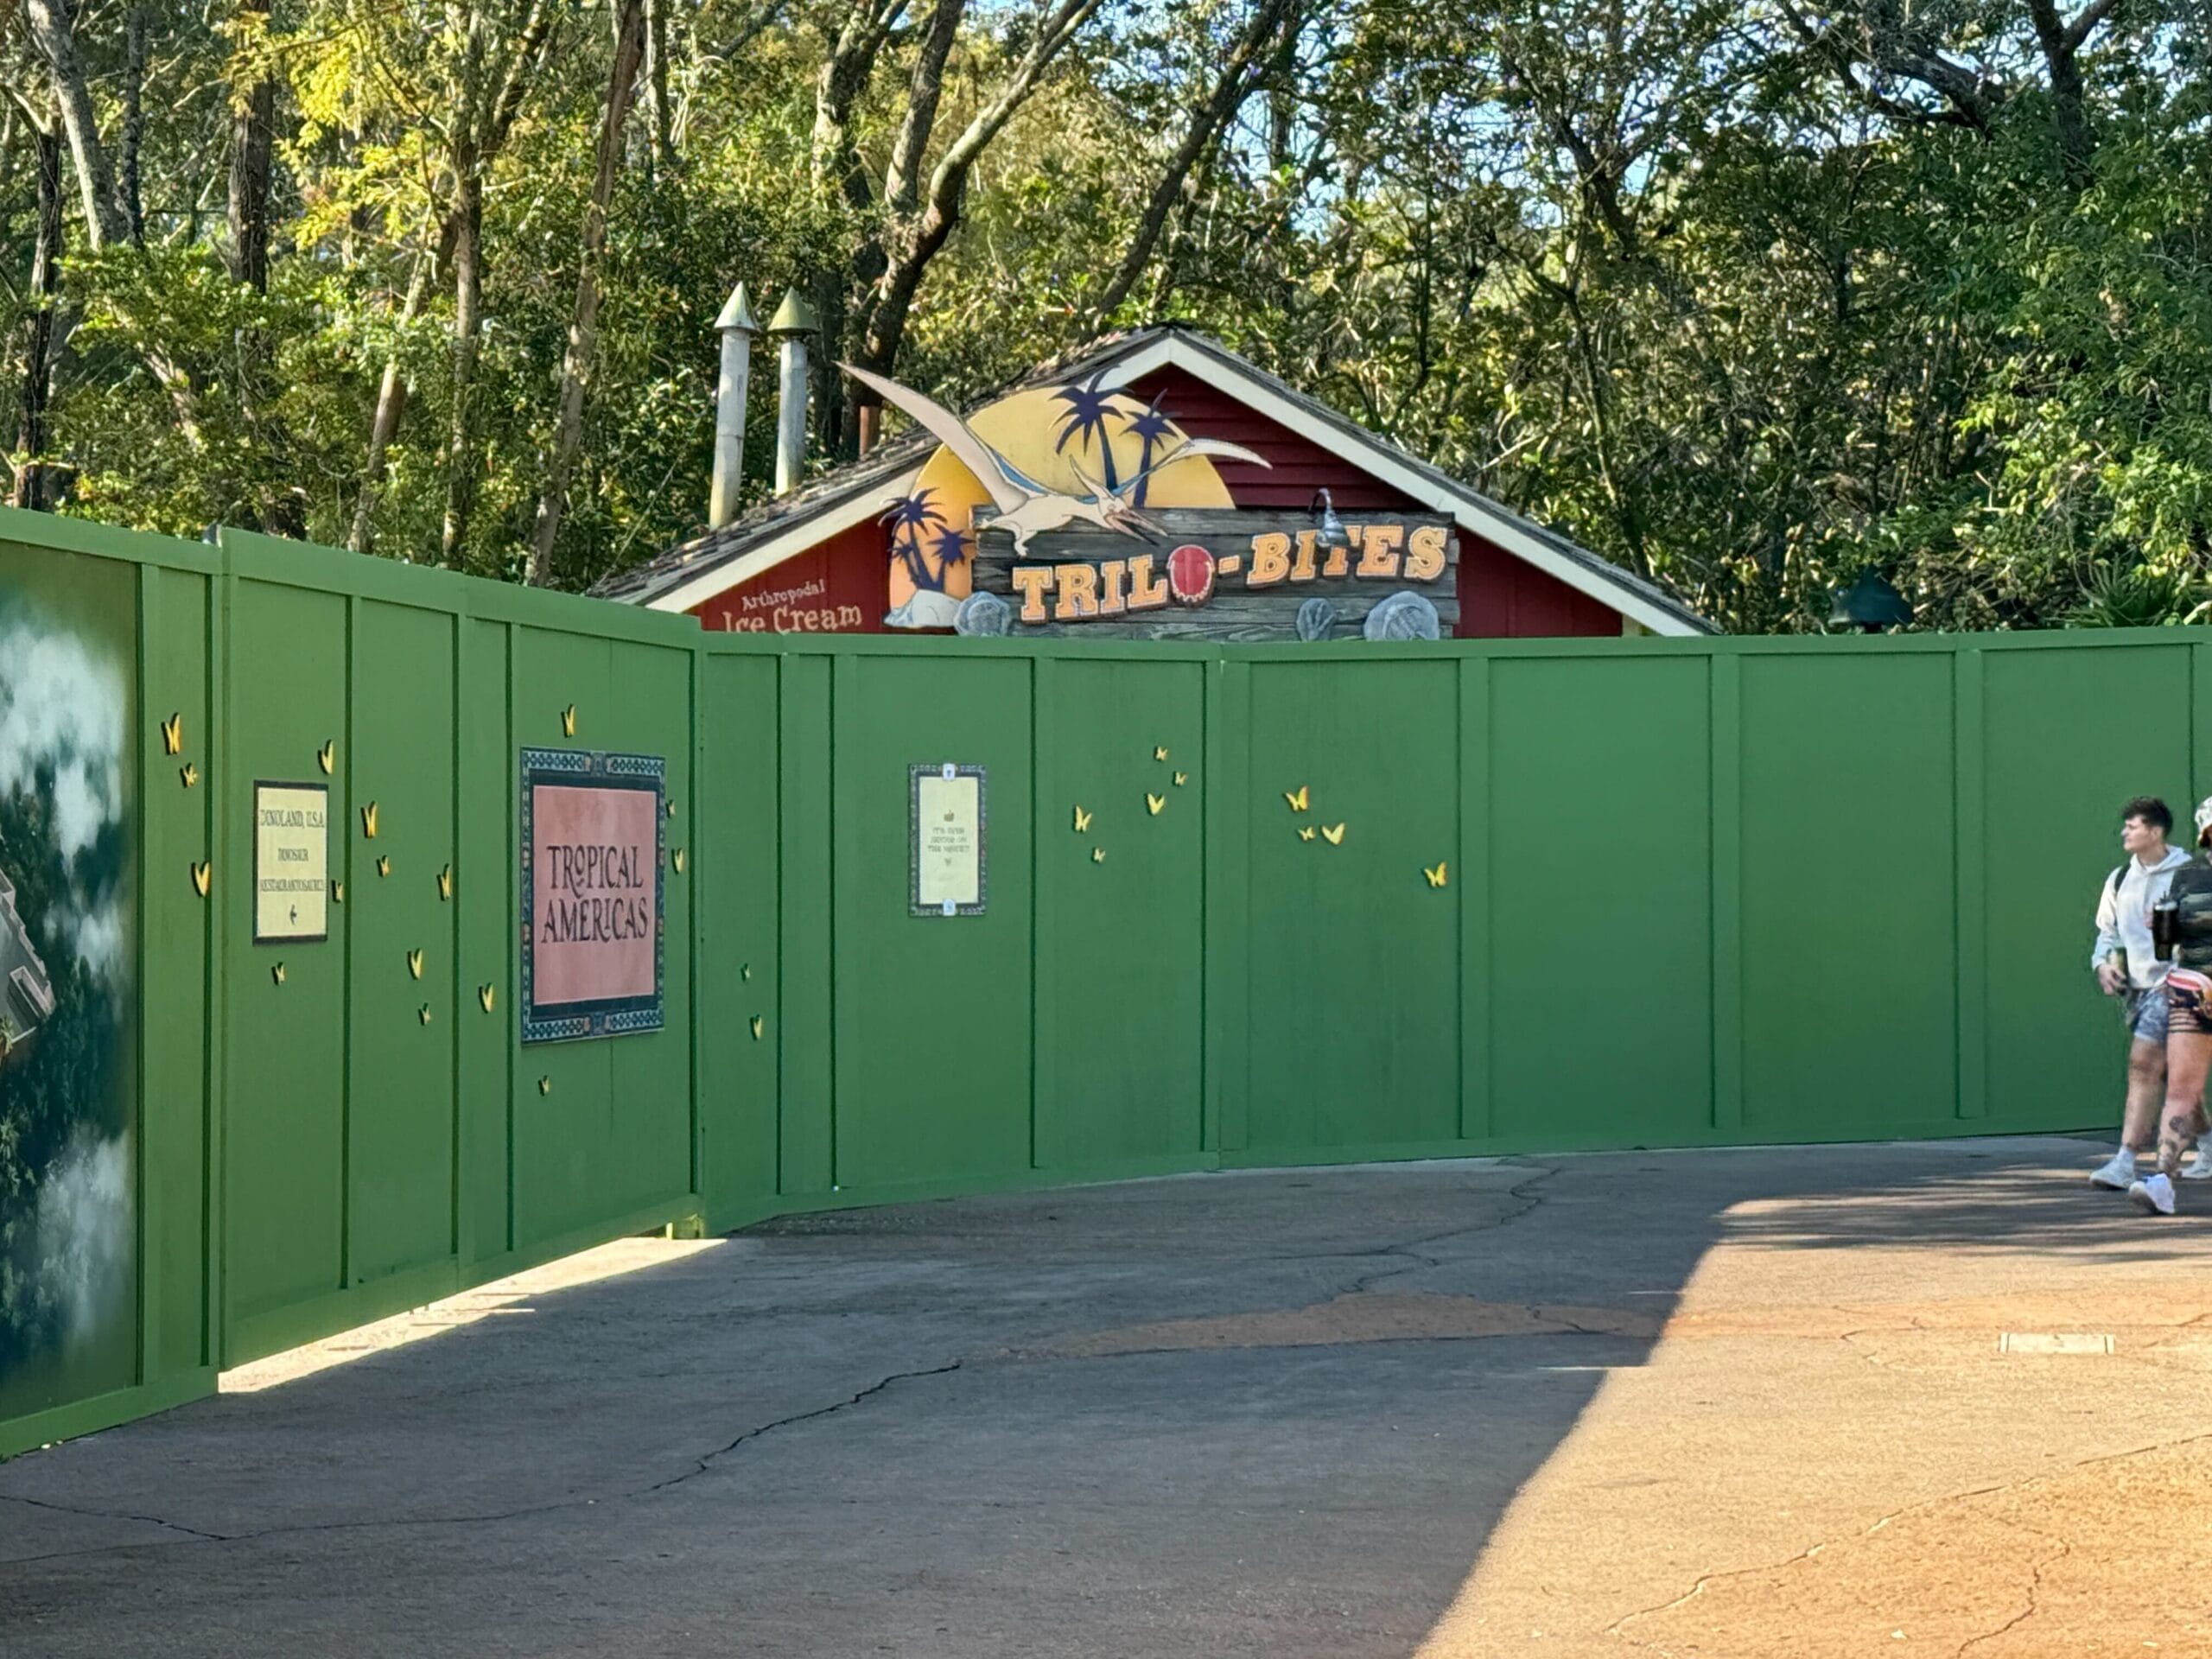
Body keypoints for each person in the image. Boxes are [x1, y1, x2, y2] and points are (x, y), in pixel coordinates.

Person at [2088, 797, 2194, 1190]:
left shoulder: (2190, 875)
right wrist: (2103, 965)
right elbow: (2107, 934)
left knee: (2142, 1063)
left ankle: (2125, 1161)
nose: (2124, 832)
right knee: (2175, 1075)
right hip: (2137, 989)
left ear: (2155, 831)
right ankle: (2207, 1143)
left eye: (2132, 826)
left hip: (2180, 984)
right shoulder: (2119, 880)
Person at [2131, 796, 2212, 1214]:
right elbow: (2168, 942)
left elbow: (2171, 941)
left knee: (2181, 1090)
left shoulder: (2190, 874)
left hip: (2194, 985)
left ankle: (2163, 1177)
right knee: (2181, 1089)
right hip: (2195, 987)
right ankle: (2162, 1178)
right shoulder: (2188, 874)